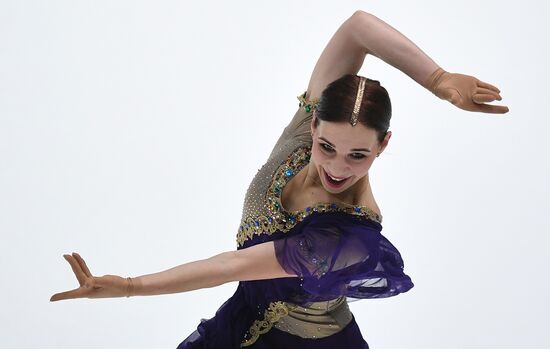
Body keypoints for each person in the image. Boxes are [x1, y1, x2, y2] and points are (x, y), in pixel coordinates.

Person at [50, 10, 509, 349]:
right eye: (327, 147)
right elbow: (358, 27)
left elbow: (231, 266)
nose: (336, 167)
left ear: (383, 146)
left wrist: (131, 286)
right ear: (312, 124)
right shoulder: (299, 136)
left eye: (358, 155)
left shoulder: (351, 233)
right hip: (242, 321)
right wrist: (437, 77)